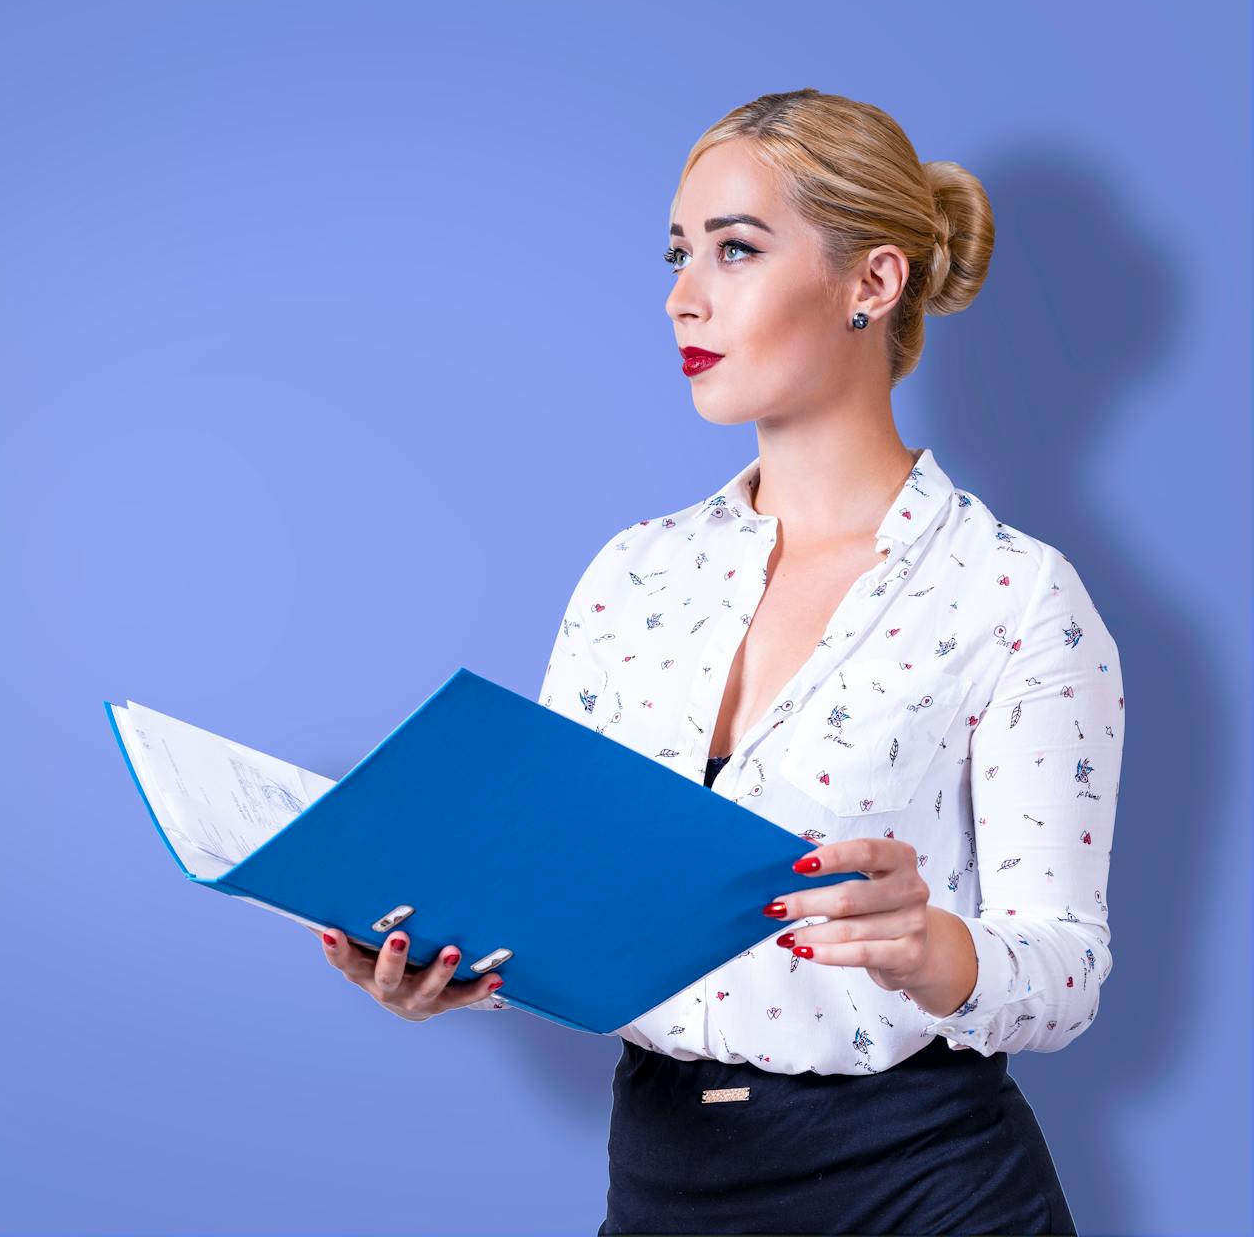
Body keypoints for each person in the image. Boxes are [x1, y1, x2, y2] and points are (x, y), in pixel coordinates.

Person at [313, 88, 1121, 1236]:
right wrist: (439, 953)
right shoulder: (632, 575)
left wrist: (932, 944)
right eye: (679, 252)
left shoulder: (1015, 595)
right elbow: (556, 894)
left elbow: (1067, 970)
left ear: (873, 283)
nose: (681, 295)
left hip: (924, 1188)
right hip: (662, 1180)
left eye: (735, 249)